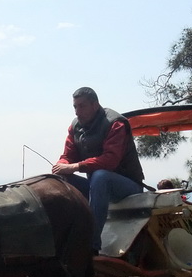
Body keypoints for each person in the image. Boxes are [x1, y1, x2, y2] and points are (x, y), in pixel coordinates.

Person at [52, 87, 145, 253]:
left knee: (100, 176)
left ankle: (91, 246)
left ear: (95, 105)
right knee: (61, 181)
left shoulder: (115, 123)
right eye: (75, 107)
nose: (77, 112)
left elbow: (110, 160)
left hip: (128, 186)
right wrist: (61, 166)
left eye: (82, 106)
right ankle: (62, 239)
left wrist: (75, 167)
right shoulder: (75, 127)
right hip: (97, 186)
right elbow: (68, 155)